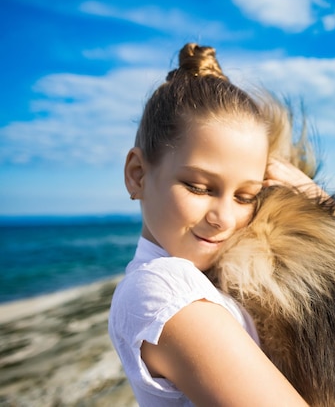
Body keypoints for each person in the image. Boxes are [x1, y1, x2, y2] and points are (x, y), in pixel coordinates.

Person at [108, 43, 322, 406]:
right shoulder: (161, 292)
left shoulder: (209, 283)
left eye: (245, 196)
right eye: (199, 187)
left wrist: (318, 207)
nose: (223, 218)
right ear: (137, 174)